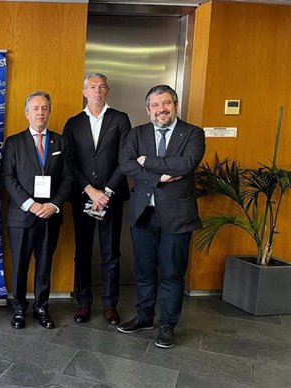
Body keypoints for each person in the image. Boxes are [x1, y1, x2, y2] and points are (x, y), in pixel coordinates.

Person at [117, 84, 205, 348]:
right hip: (143, 213)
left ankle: (167, 324)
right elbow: (125, 164)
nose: (161, 110)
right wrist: (160, 176)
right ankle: (144, 317)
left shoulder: (193, 133)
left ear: (175, 105)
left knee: (172, 273)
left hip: (178, 216)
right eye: (155, 105)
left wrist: (147, 161)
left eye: (166, 103)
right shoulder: (137, 133)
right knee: (144, 270)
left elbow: (186, 164)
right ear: (147, 109)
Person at [63, 74, 131, 325]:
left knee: (110, 253)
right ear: (84, 91)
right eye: (92, 87)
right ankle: (83, 302)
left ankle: (110, 305)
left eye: (102, 87)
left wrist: (107, 192)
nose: (97, 91)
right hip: (83, 197)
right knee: (82, 252)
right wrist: (90, 190)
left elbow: (126, 159)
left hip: (111, 198)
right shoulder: (73, 123)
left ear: (108, 91)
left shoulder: (120, 119)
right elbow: (68, 163)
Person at [1, 91, 73, 329]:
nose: (40, 112)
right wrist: (30, 204)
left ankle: (42, 307)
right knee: (20, 265)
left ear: (49, 112)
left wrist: (53, 205)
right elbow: (8, 178)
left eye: (44, 108)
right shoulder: (14, 142)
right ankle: (19, 309)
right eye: (35, 108)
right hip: (21, 216)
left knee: (44, 264)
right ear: (26, 113)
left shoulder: (61, 142)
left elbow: (67, 178)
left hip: (50, 216)